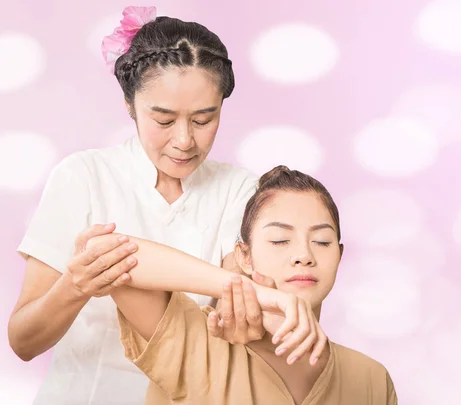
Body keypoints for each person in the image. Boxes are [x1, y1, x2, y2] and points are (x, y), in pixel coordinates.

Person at [7, 7, 324, 404]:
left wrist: (247, 318)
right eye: (163, 120)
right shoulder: (83, 177)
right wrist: (75, 286)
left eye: (204, 119)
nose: (184, 140)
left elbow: (240, 297)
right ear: (129, 104)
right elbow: (23, 341)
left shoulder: (239, 189)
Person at [86, 166, 398, 404]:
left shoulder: (371, 379)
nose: (303, 255)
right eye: (279, 240)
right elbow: (104, 251)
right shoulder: (197, 345)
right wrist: (249, 291)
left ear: (339, 255)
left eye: (321, 241)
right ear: (244, 256)